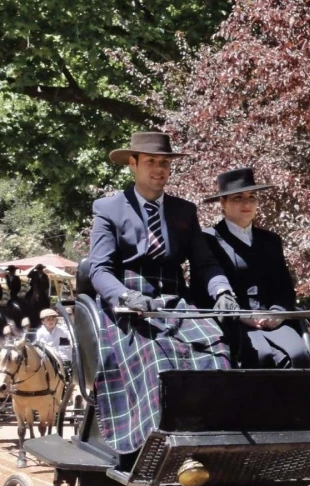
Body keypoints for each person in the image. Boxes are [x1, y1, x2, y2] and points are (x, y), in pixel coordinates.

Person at [88, 131, 236, 456]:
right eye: (151, 162)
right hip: (126, 304)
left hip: (174, 300)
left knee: (217, 348)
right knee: (158, 357)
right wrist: (126, 297)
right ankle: (159, 448)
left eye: (165, 163)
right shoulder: (109, 208)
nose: (159, 169)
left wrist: (222, 290)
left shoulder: (184, 211)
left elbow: (205, 263)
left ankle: (211, 441)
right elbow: (99, 270)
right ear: (133, 164)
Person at [194, 167, 310, 369]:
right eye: (238, 198)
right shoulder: (208, 240)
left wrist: (276, 313)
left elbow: (285, 288)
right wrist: (241, 315)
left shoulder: (271, 241)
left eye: (252, 197)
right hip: (232, 323)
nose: (247, 203)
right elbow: (202, 292)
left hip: (273, 321)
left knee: (298, 354)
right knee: (259, 356)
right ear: (223, 203)